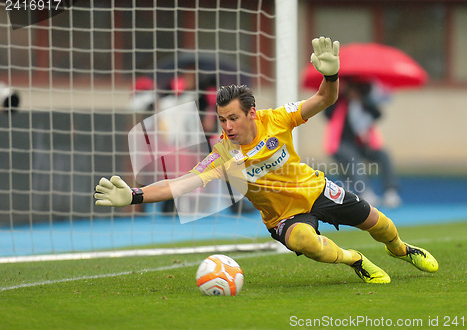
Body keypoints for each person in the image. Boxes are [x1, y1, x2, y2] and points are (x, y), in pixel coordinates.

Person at [94, 37, 438, 284]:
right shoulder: (221, 154)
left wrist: (331, 76)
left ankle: (400, 249)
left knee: (381, 225)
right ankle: (356, 260)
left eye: (233, 119)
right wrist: (136, 195)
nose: (226, 126)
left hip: (317, 189)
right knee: (306, 242)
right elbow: (179, 184)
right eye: (222, 119)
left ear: (252, 114)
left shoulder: (278, 118)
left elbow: (323, 99)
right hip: (283, 216)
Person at [323, 77, 402, 207]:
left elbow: (378, 114)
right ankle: (365, 193)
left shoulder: (365, 103)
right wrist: (340, 94)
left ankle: (390, 191)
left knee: (384, 155)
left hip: (364, 145)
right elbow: (327, 114)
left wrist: (363, 99)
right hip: (341, 144)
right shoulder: (339, 102)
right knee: (352, 159)